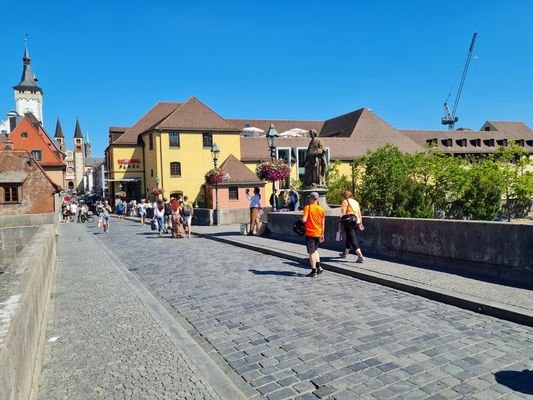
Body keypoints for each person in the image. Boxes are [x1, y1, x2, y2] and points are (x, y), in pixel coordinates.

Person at [301, 192, 325, 277]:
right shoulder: (321, 210)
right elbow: (323, 224)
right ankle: (319, 267)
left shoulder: (308, 207)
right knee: (315, 250)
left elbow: (304, 220)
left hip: (310, 233)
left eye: (309, 198)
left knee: (311, 252)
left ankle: (313, 271)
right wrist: (322, 234)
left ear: (311, 199)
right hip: (318, 233)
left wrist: (302, 217)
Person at [339, 190, 365, 263]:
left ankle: (360, 256)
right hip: (356, 221)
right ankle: (345, 254)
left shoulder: (345, 202)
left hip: (349, 222)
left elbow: (343, 215)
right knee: (349, 238)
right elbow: (359, 213)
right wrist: (361, 223)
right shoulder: (355, 202)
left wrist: (340, 224)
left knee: (353, 239)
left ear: (344, 196)